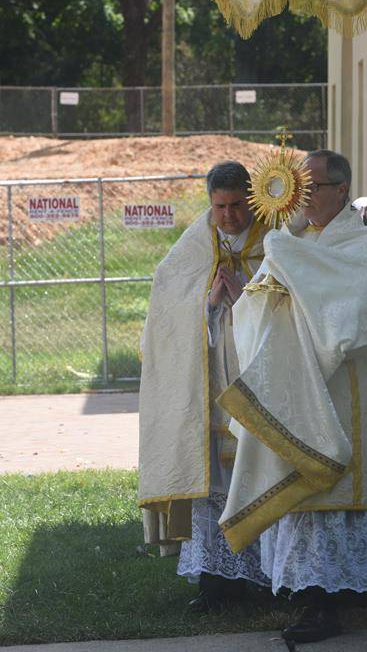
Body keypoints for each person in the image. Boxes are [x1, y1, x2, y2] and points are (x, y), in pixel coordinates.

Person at [217, 150, 367, 643]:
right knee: (300, 485)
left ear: (341, 190)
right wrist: (269, 290)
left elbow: (351, 320)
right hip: (290, 386)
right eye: (299, 187)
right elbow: (254, 308)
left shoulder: (365, 246)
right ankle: (310, 595)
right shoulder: (293, 244)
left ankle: (331, 599)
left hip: (341, 388)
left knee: (333, 490)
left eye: (313, 187)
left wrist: (288, 260)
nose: (304, 196)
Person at [138, 160, 270, 612]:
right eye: (219, 206)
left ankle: (268, 577)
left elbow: (293, 303)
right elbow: (167, 302)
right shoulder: (197, 242)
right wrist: (208, 302)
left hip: (258, 386)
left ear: (250, 199)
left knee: (258, 479)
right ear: (209, 202)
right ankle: (215, 582)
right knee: (214, 484)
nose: (228, 215)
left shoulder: (273, 241)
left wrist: (247, 291)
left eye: (236, 205)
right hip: (209, 391)